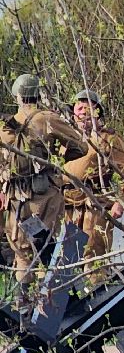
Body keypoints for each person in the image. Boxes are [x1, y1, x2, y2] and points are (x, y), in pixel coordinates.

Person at [0, 74, 88, 292]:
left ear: (17, 96)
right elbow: (81, 147)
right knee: (50, 247)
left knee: (22, 253)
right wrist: (57, 158)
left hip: (16, 201)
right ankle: (63, 301)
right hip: (45, 196)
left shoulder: (4, 126)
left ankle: (23, 310)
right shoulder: (47, 118)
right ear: (37, 94)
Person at [63, 89, 124, 278]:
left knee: (94, 261)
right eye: (78, 107)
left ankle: (97, 296)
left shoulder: (108, 138)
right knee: (65, 263)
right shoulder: (67, 138)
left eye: (86, 107)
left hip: (95, 206)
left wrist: (120, 202)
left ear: (96, 111)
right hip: (67, 208)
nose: (81, 111)